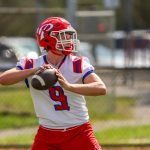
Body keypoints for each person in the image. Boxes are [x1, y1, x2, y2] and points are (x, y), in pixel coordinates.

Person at [0, 17, 107, 150]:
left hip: (78, 131)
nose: (69, 40)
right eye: (63, 36)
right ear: (48, 39)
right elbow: (3, 79)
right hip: (47, 134)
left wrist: (69, 86)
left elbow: (101, 88)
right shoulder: (32, 64)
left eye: (69, 36)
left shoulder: (77, 64)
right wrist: (33, 71)